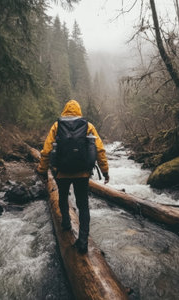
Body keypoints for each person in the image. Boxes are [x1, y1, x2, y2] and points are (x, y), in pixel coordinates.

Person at [36, 100, 109, 254]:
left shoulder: (57, 126)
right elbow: (100, 149)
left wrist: (42, 170)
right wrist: (105, 171)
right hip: (82, 172)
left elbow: (47, 150)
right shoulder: (88, 126)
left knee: (62, 197)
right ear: (78, 110)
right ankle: (83, 242)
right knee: (83, 205)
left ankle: (66, 224)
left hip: (61, 172)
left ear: (65, 110)